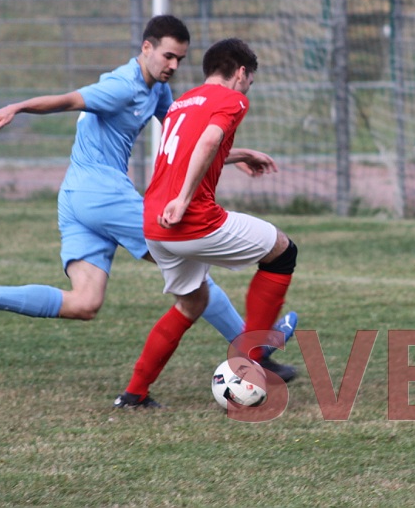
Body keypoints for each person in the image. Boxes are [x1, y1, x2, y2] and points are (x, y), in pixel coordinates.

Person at [0, 16, 297, 388]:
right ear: (146, 48)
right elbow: (70, 100)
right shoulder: (122, 85)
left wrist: (237, 154)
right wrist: (18, 107)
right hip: (103, 193)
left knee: (85, 302)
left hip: (76, 196)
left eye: (180, 59)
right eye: (168, 56)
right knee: (191, 271)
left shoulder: (158, 90)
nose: (173, 66)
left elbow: (186, 139)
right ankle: (257, 353)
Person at [113, 37, 299, 409]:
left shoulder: (183, 102)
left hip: (154, 224)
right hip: (190, 219)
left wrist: (239, 154)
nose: (248, 88)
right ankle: (255, 355)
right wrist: (184, 200)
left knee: (192, 302)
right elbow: (210, 140)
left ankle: (134, 394)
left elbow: (190, 150)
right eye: (250, 80)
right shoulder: (233, 99)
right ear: (241, 73)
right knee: (282, 251)